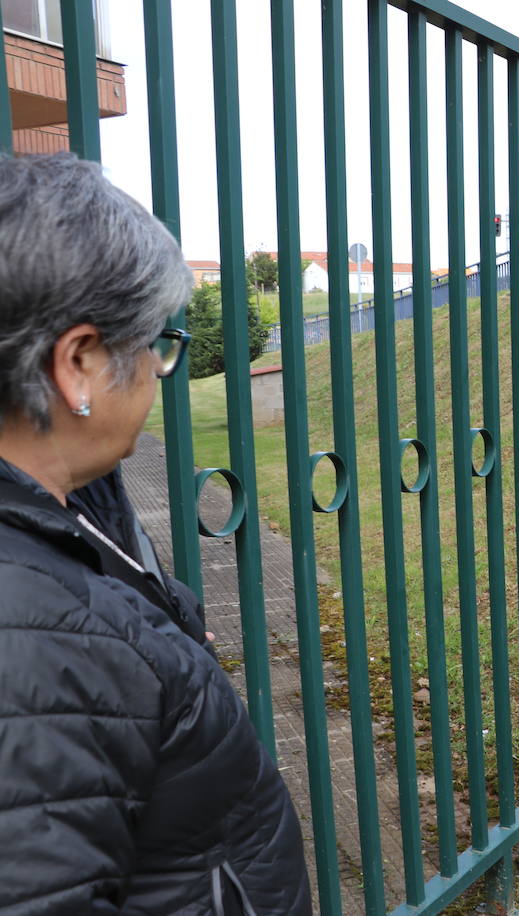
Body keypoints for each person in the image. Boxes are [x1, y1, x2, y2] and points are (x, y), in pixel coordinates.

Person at [0, 154, 310, 914]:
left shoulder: (62, 509)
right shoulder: (39, 637)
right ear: (77, 364)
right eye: (153, 345)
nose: (157, 371)